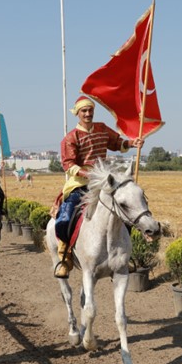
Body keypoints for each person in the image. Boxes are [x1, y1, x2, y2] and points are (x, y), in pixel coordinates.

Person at [53, 96, 143, 278]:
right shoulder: (71, 137)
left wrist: (132, 143)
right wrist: (88, 174)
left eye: (90, 110)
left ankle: (124, 255)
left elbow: (117, 143)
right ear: (77, 113)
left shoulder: (102, 129)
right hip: (80, 184)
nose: (87, 113)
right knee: (65, 218)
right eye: (83, 111)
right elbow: (68, 165)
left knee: (125, 211)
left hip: (103, 182)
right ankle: (65, 257)